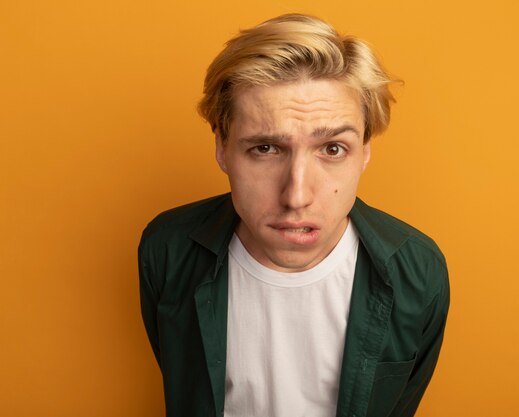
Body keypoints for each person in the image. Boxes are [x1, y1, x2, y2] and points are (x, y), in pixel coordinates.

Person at [139, 13, 450, 417]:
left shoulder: (418, 270)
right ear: (222, 148)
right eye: (265, 149)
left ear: (365, 152)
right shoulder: (168, 248)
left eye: (333, 149)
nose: (297, 195)